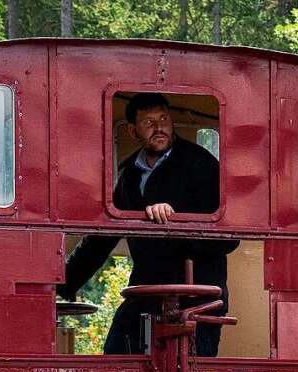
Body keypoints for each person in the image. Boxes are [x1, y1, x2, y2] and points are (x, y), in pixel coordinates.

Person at [58, 92, 238, 356]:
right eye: (148, 122)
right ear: (133, 131)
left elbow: (229, 236)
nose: (159, 127)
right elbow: (102, 238)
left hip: (198, 296)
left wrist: (174, 222)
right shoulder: (129, 173)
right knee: (116, 357)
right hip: (147, 290)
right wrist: (66, 282)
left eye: (164, 119)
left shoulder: (202, 164)